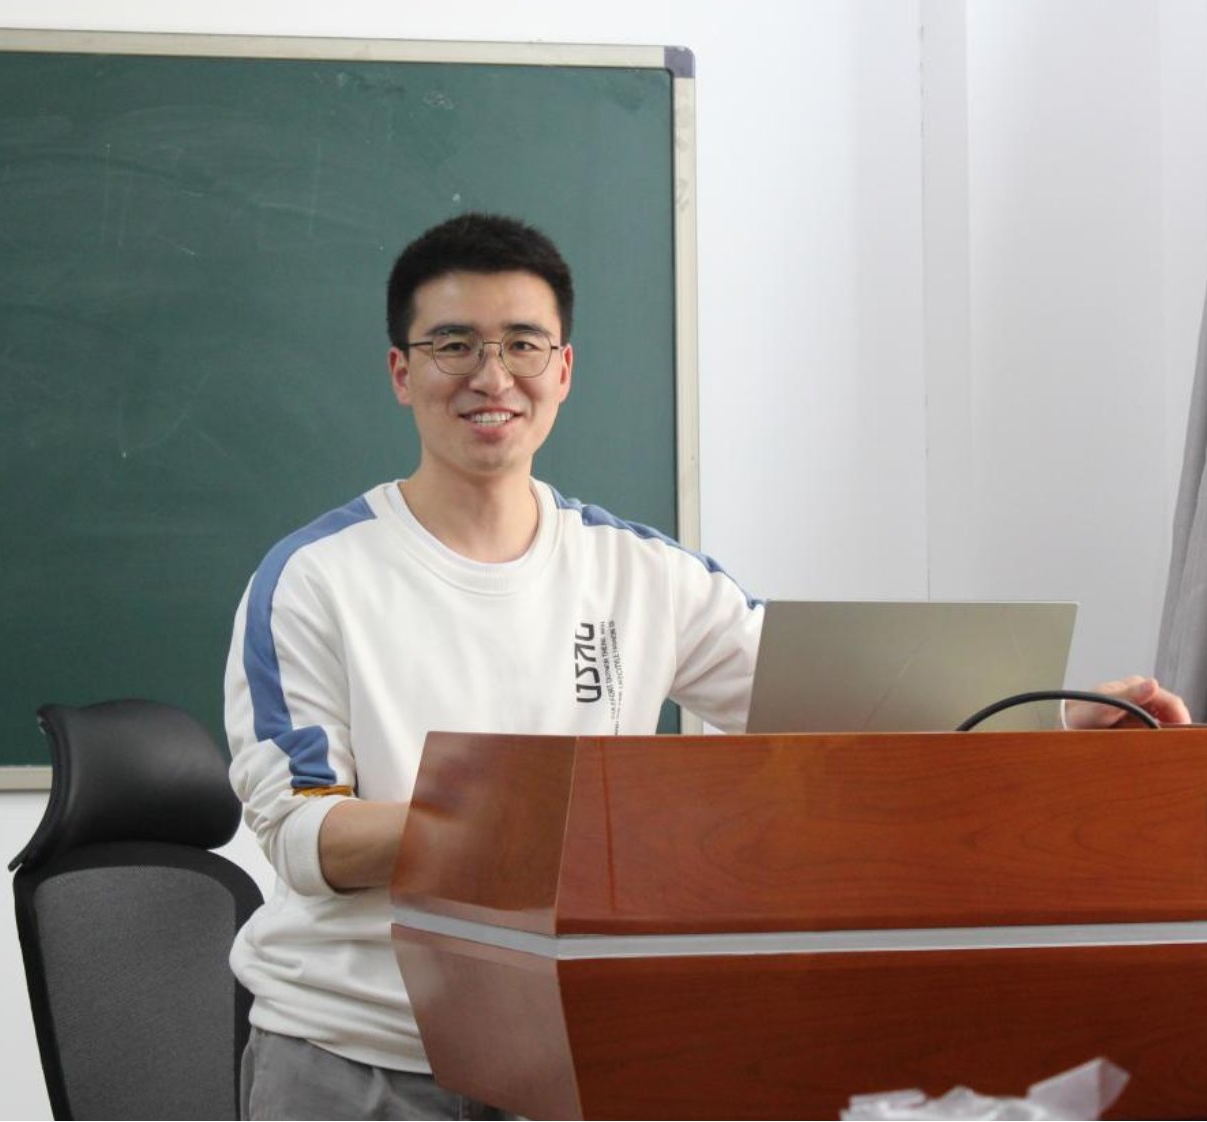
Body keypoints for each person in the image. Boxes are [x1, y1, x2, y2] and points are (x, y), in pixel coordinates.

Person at [224, 212, 1190, 1121]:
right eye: (454, 345)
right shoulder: (314, 578)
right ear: (402, 372)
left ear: (565, 369)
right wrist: (543, 817)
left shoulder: (642, 572)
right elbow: (308, 836)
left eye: (523, 344)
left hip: (570, 1051)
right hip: (358, 1057)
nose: (492, 375)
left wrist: (1056, 718)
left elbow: (849, 709)